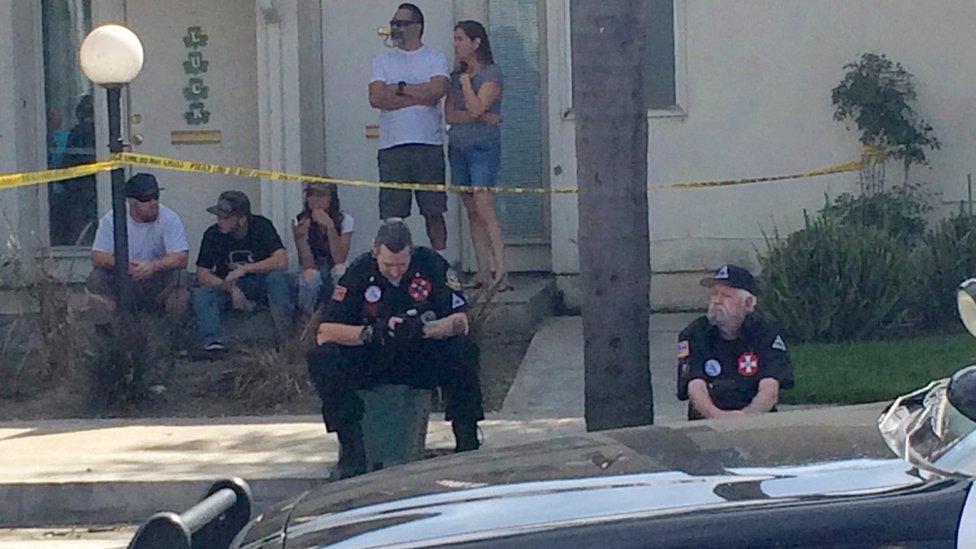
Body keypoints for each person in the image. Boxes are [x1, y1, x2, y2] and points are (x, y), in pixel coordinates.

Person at [307, 220, 483, 479]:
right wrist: (370, 332)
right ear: (375, 252)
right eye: (388, 265)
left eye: (402, 265)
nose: (395, 272)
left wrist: (425, 329)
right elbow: (325, 332)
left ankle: (467, 439)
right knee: (323, 358)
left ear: (412, 252)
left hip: (420, 354)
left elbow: (461, 321)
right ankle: (352, 450)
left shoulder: (431, 265)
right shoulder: (359, 272)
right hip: (374, 355)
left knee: (463, 349)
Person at [369, 3, 450, 252]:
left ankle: (439, 263)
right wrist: (419, 94)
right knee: (393, 216)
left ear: (418, 27)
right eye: (394, 23)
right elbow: (377, 98)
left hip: (428, 145)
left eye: (402, 23)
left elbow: (437, 91)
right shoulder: (382, 60)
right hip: (393, 147)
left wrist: (399, 89)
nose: (396, 28)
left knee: (433, 210)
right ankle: (395, 263)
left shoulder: (434, 57)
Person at [676, 264, 795, 420]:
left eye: (726, 296)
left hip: (756, 422)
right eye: (714, 294)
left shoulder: (766, 333)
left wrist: (745, 418)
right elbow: (695, 387)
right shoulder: (694, 333)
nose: (717, 301)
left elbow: (770, 390)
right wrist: (718, 417)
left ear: (747, 303)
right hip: (708, 424)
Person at [445, 20, 510, 291]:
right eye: (455, 39)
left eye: (461, 39)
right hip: (458, 147)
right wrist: (481, 117)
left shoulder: (490, 74)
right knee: (471, 210)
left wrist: (466, 85)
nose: (456, 44)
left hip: (482, 149)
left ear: (476, 43)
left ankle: (502, 271)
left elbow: (474, 108)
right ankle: (483, 270)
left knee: (485, 207)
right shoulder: (453, 75)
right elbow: (451, 114)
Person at [192, 190, 294, 352]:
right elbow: (202, 273)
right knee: (203, 293)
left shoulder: (262, 226)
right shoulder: (212, 234)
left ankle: (287, 337)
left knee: (277, 279)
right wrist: (230, 288)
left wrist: (246, 268)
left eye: (225, 218)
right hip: (228, 284)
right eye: (218, 217)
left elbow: (281, 261)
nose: (220, 222)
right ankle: (212, 343)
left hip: (260, 283)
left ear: (242, 219)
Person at [87, 173, 190, 324]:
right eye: (146, 199)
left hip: (157, 280)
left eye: (156, 196)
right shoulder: (112, 219)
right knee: (96, 277)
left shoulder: (169, 217)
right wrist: (124, 264)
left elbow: (181, 257)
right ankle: (108, 332)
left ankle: (175, 339)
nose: (153, 202)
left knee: (182, 277)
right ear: (132, 202)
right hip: (124, 279)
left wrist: (153, 266)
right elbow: (97, 256)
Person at [292, 183, 355, 316]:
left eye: (320, 195)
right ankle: (305, 316)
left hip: (333, 265)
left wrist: (330, 227)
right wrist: (301, 238)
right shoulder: (301, 220)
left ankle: (340, 313)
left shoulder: (345, 220)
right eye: (310, 195)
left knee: (342, 272)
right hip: (314, 267)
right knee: (311, 276)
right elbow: (307, 264)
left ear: (331, 198)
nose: (315, 200)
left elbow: (340, 259)